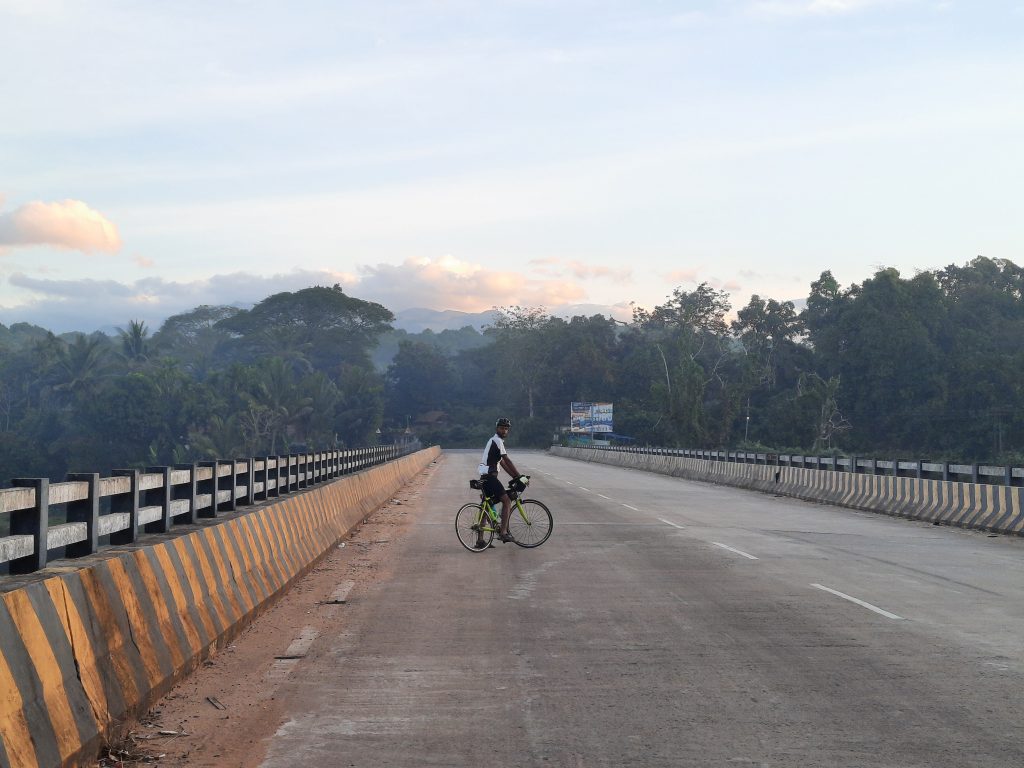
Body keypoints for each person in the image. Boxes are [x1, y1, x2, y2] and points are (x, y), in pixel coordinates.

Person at [477, 417, 523, 547]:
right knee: (507, 500)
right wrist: (520, 477)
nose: (504, 430)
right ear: (497, 428)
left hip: (485, 477)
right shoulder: (497, 441)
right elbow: (507, 460)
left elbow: (502, 463)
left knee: (486, 506)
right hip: (490, 477)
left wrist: (515, 476)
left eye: (506, 429)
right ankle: (503, 532)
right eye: (502, 428)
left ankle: (480, 540)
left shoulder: (493, 441)